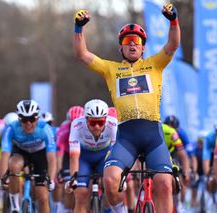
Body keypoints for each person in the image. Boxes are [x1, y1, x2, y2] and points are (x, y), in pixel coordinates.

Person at [73, 2, 181, 212]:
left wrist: (173, 21)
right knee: (110, 180)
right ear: (120, 47)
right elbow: (82, 54)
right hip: (126, 138)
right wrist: (78, 28)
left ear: (143, 47)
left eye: (137, 41)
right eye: (127, 41)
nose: (132, 44)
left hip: (153, 136)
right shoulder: (110, 69)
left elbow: (173, 44)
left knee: (165, 184)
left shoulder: (155, 64)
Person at [0, 99, 56, 213]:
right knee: (13, 165)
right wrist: (3, 178)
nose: (28, 123)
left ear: (38, 118)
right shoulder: (11, 128)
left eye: (32, 119)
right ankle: (15, 207)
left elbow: (51, 157)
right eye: (24, 120)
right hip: (21, 152)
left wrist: (51, 179)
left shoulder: (45, 129)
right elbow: (5, 155)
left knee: (43, 198)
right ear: (19, 119)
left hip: (40, 155)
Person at [65, 99, 118, 213]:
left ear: (106, 119)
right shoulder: (77, 125)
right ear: (86, 119)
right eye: (93, 122)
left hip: (105, 156)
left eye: (101, 122)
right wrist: (73, 178)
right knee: (80, 195)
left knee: (110, 186)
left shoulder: (113, 123)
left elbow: (115, 152)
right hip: (84, 158)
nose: (97, 126)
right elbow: (74, 155)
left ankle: (109, 209)